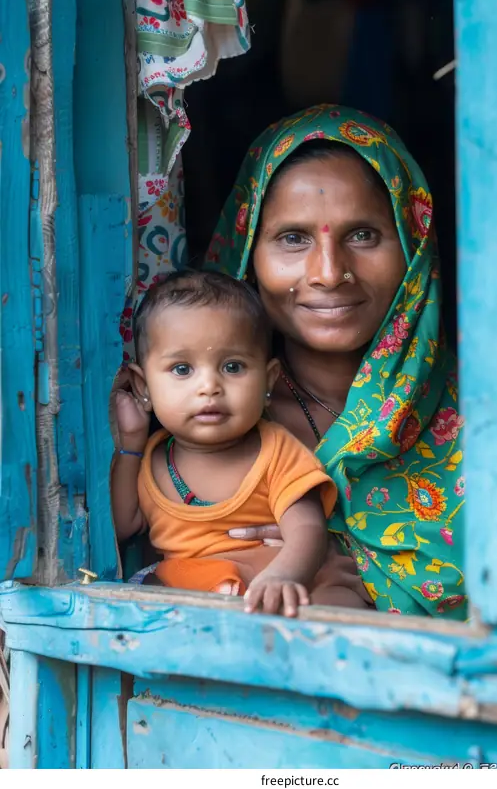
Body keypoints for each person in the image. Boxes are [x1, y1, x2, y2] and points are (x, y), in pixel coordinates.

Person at [114, 104, 466, 620]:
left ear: (413, 247)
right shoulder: (198, 418)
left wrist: (320, 554)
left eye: (363, 235)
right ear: (248, 254)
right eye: (293, 239)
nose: (329, 272)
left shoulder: (485, 416)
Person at [111, 269, 370, 617]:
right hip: (205, 588)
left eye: (232, 367)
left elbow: (307, 529)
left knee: (339, 602)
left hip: (295, 582)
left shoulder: (275, 450)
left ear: (268, 380)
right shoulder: (153, 461)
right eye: (182, 369)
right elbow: (123, 524)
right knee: (161, 588)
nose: (209, 387)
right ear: (143, 387)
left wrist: (283, 575)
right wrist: (131, 443)